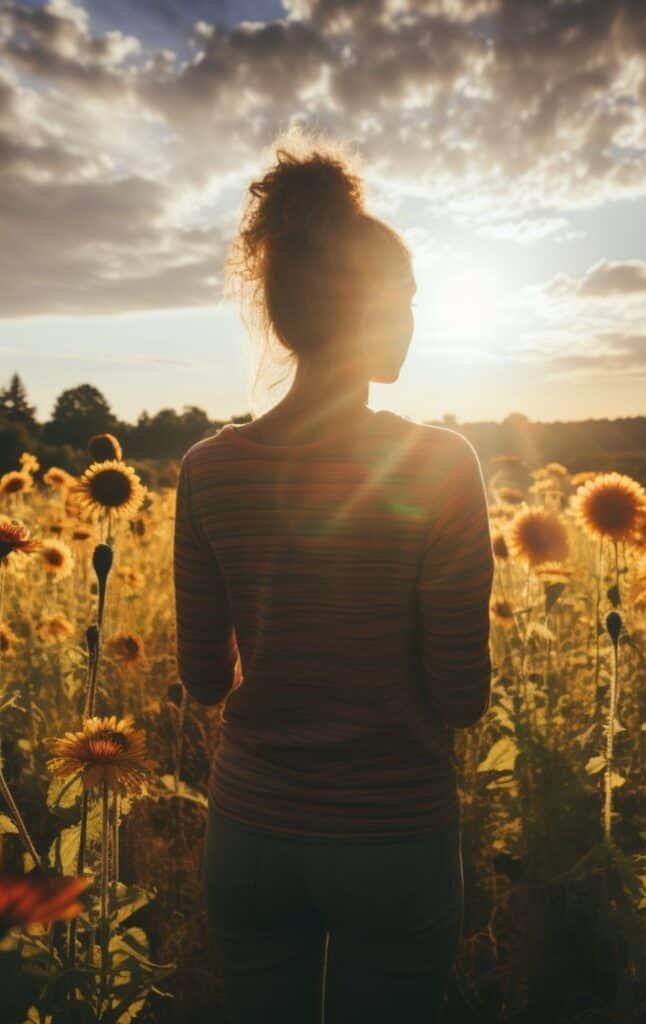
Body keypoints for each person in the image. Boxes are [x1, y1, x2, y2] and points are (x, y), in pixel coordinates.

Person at [173, 125, 494, 1024]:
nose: (416, 320)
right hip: (393, 832)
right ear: (369, 311)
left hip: (250, 832)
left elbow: (203, 679)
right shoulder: (439, 465)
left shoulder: (207, 469)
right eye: (408, 299)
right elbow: (461, 695)